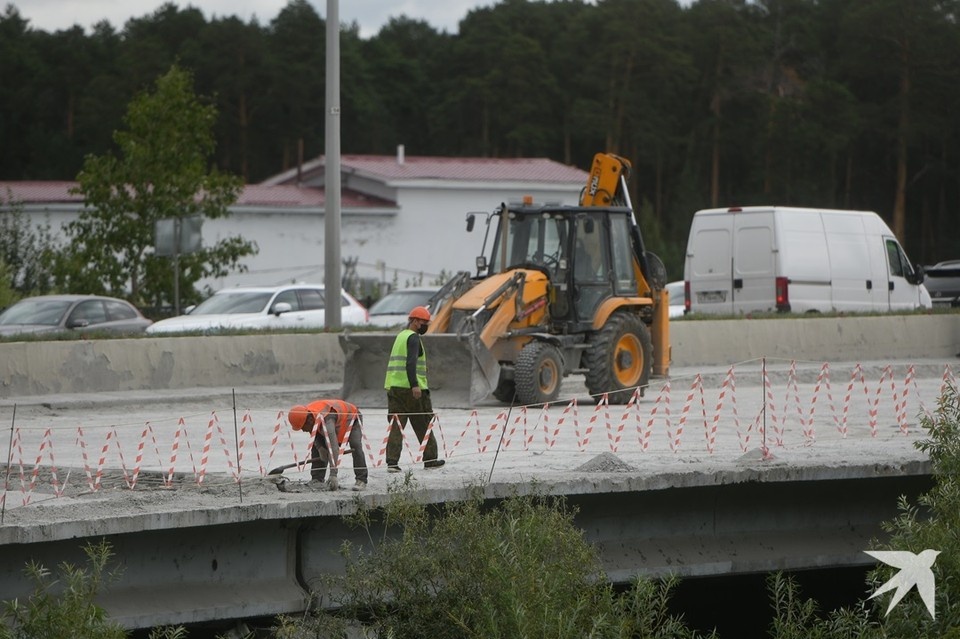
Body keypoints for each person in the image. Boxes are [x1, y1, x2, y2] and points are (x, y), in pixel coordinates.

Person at [383, 305, 445, 472]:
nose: (426, 325)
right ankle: (430, 459)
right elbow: (410, 363)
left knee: (396, 425)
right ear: (415, 321)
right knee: (423, 423)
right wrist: (415, 385)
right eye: (424, 322)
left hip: (395, 388)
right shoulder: (413, 338)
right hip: (412, 391)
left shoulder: (401, 336)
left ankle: (392, 463)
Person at [287, 399, 368, 491]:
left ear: (309, 420)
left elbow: (333, 447)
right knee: (316, 446)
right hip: (333, 420)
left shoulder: (327, 420)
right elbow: (314, 435)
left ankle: (361, 479)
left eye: (302, 427)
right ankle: (317, 479)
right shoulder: (309, 415)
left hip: (353, 418)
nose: (303, 430)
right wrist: (320, 448)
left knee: (355, 445)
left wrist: (333, 474)